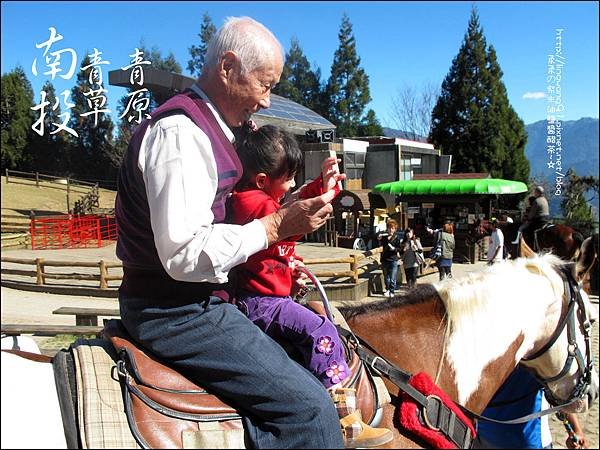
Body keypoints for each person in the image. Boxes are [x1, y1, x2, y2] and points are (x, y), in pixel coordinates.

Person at [115, 17, 345, 449]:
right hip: (175, 311)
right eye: (265, 84)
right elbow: (183, 253)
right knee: (309, 412)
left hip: (189, 302)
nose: (267, 100)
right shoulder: (181, 134)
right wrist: (276, 225)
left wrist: (293, 211)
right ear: (228, 66)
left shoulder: (209, 129)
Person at [228, 125, 393, 448]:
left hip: (262, 298)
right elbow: (292, 211)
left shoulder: (253, 200)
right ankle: (345, 418)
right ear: (263, 180)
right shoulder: (258, 205)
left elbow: (290, 203)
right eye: (287, 177)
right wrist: (325, 193)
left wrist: (319, 187)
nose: (291, 185)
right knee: (321, 331)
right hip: (263, 302)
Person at [477, 366, 588, 449]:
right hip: (529, 440)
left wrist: (575, 430)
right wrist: (576, 430)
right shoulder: (538, 354)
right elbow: (559, 397)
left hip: (483, 434)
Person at [378, 219, 403, 297]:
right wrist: (378, 238)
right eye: (389, 228)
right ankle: (388, 290)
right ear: (387, 228)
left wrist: (394, 249)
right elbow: (378, 241)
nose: (391, 230)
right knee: (386, 277)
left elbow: (399, 249)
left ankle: (392, 291)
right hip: (385, 259)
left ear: (395, 229)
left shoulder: (397, 238)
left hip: (393, 260)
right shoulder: (384, 238)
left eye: (392, 228)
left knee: (392, 277)